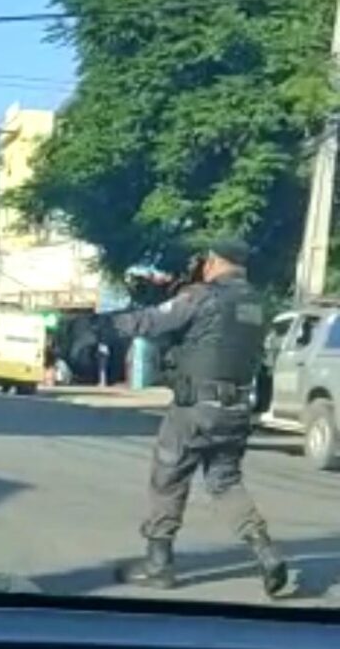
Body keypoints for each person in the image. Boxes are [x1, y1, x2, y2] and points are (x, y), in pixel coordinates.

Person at [100, 238, 287, 597]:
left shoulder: (202, 296)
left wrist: (107, 325)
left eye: (206, 261)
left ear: (215, 262)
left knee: (168, 477)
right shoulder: (259, 305)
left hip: (195, 408)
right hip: (236, 410)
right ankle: (265, 551)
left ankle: (158, 565)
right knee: (225, 482)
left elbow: (153, 321)